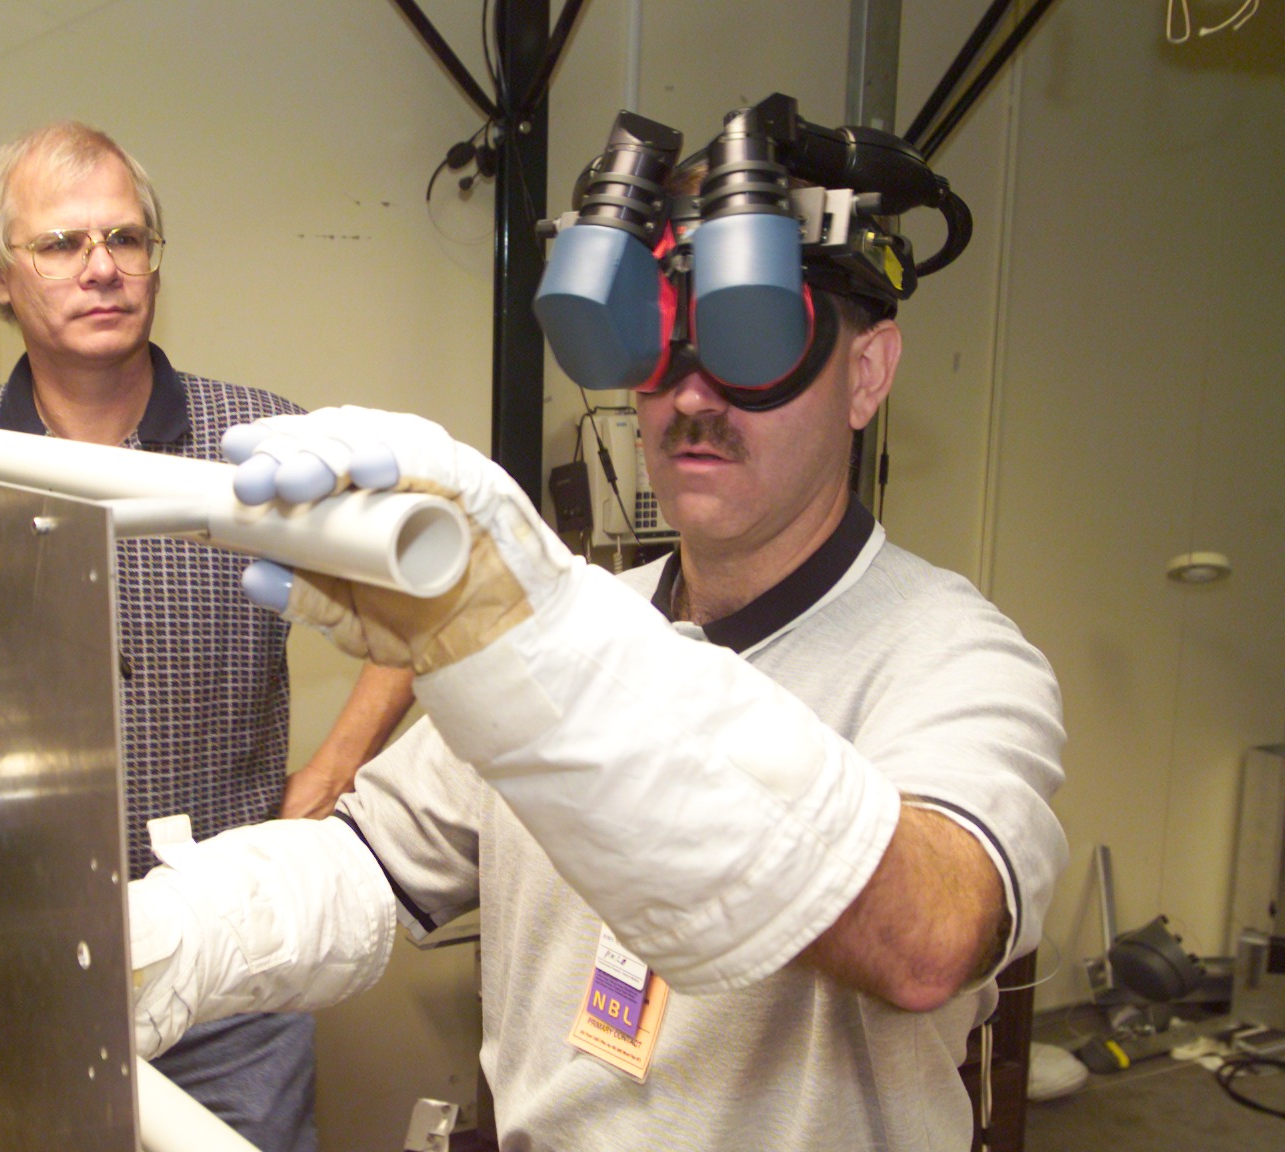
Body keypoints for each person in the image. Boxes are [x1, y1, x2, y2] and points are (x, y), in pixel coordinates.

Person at [122, 174, 1069, 1148]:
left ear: (867, 373)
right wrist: (170, 935)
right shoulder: (563, 630)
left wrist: (552, 644)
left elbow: (930, 936)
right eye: (660, 343)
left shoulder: (953, 655)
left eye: (754, 339)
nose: (694, 396)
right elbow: (369, 862)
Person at [0, 121, 414, 1152]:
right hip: (26, 968)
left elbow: (421, 607)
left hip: (234, 982)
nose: (101, 268)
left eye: (127, 238)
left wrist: (333, 769)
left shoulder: (264, 446)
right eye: (61, 245)